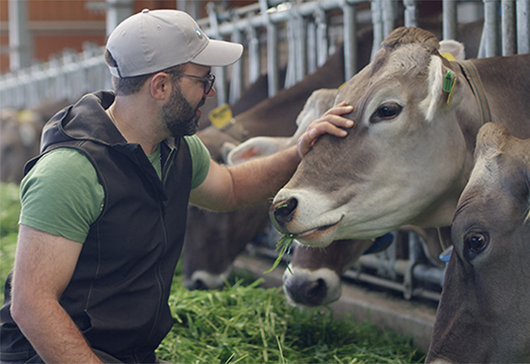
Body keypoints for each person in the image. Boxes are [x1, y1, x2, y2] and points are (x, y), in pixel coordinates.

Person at [0, 9, 354, 364]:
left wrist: (300, 151)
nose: (209, 92)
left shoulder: (175, 148)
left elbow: (231, 188)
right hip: (50, 354)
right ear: (161, 86)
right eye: (203, 80)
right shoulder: (71, 170)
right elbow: (32, 305)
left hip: (126, 353)